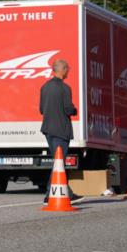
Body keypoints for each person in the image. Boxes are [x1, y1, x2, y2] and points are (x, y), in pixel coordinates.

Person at [39, 58, 79, 201]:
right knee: (59, 162)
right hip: (61, 131)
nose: (68, 71)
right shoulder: (65, 88)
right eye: (67, 69)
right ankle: (49, 194)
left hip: (48, 130)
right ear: (62, 70)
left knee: (57, 162)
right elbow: (68, 109)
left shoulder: (44, 87)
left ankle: (66, 192)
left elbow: (41, 109)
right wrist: (75, 111)